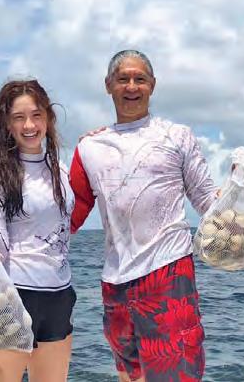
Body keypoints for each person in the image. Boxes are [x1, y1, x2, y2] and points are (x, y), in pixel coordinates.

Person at [70, 50, 218, 382]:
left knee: (177, 374)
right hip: (115, 283)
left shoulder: (177, 135)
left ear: (153, 85)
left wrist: (239, 191)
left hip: (168, 274)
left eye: (140, 79)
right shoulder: (89, 147)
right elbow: (68, 216)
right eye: (123, 79)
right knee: (130, 374)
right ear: (108, 85)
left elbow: (208, 200)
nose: (131, 86)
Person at [0, 79, 76, 382]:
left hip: (59, 296)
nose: (29, 125)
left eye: (36, 115)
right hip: (13, 296)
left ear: (49, 118)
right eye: (19, 118)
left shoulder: (61, 170)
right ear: (7, 124)